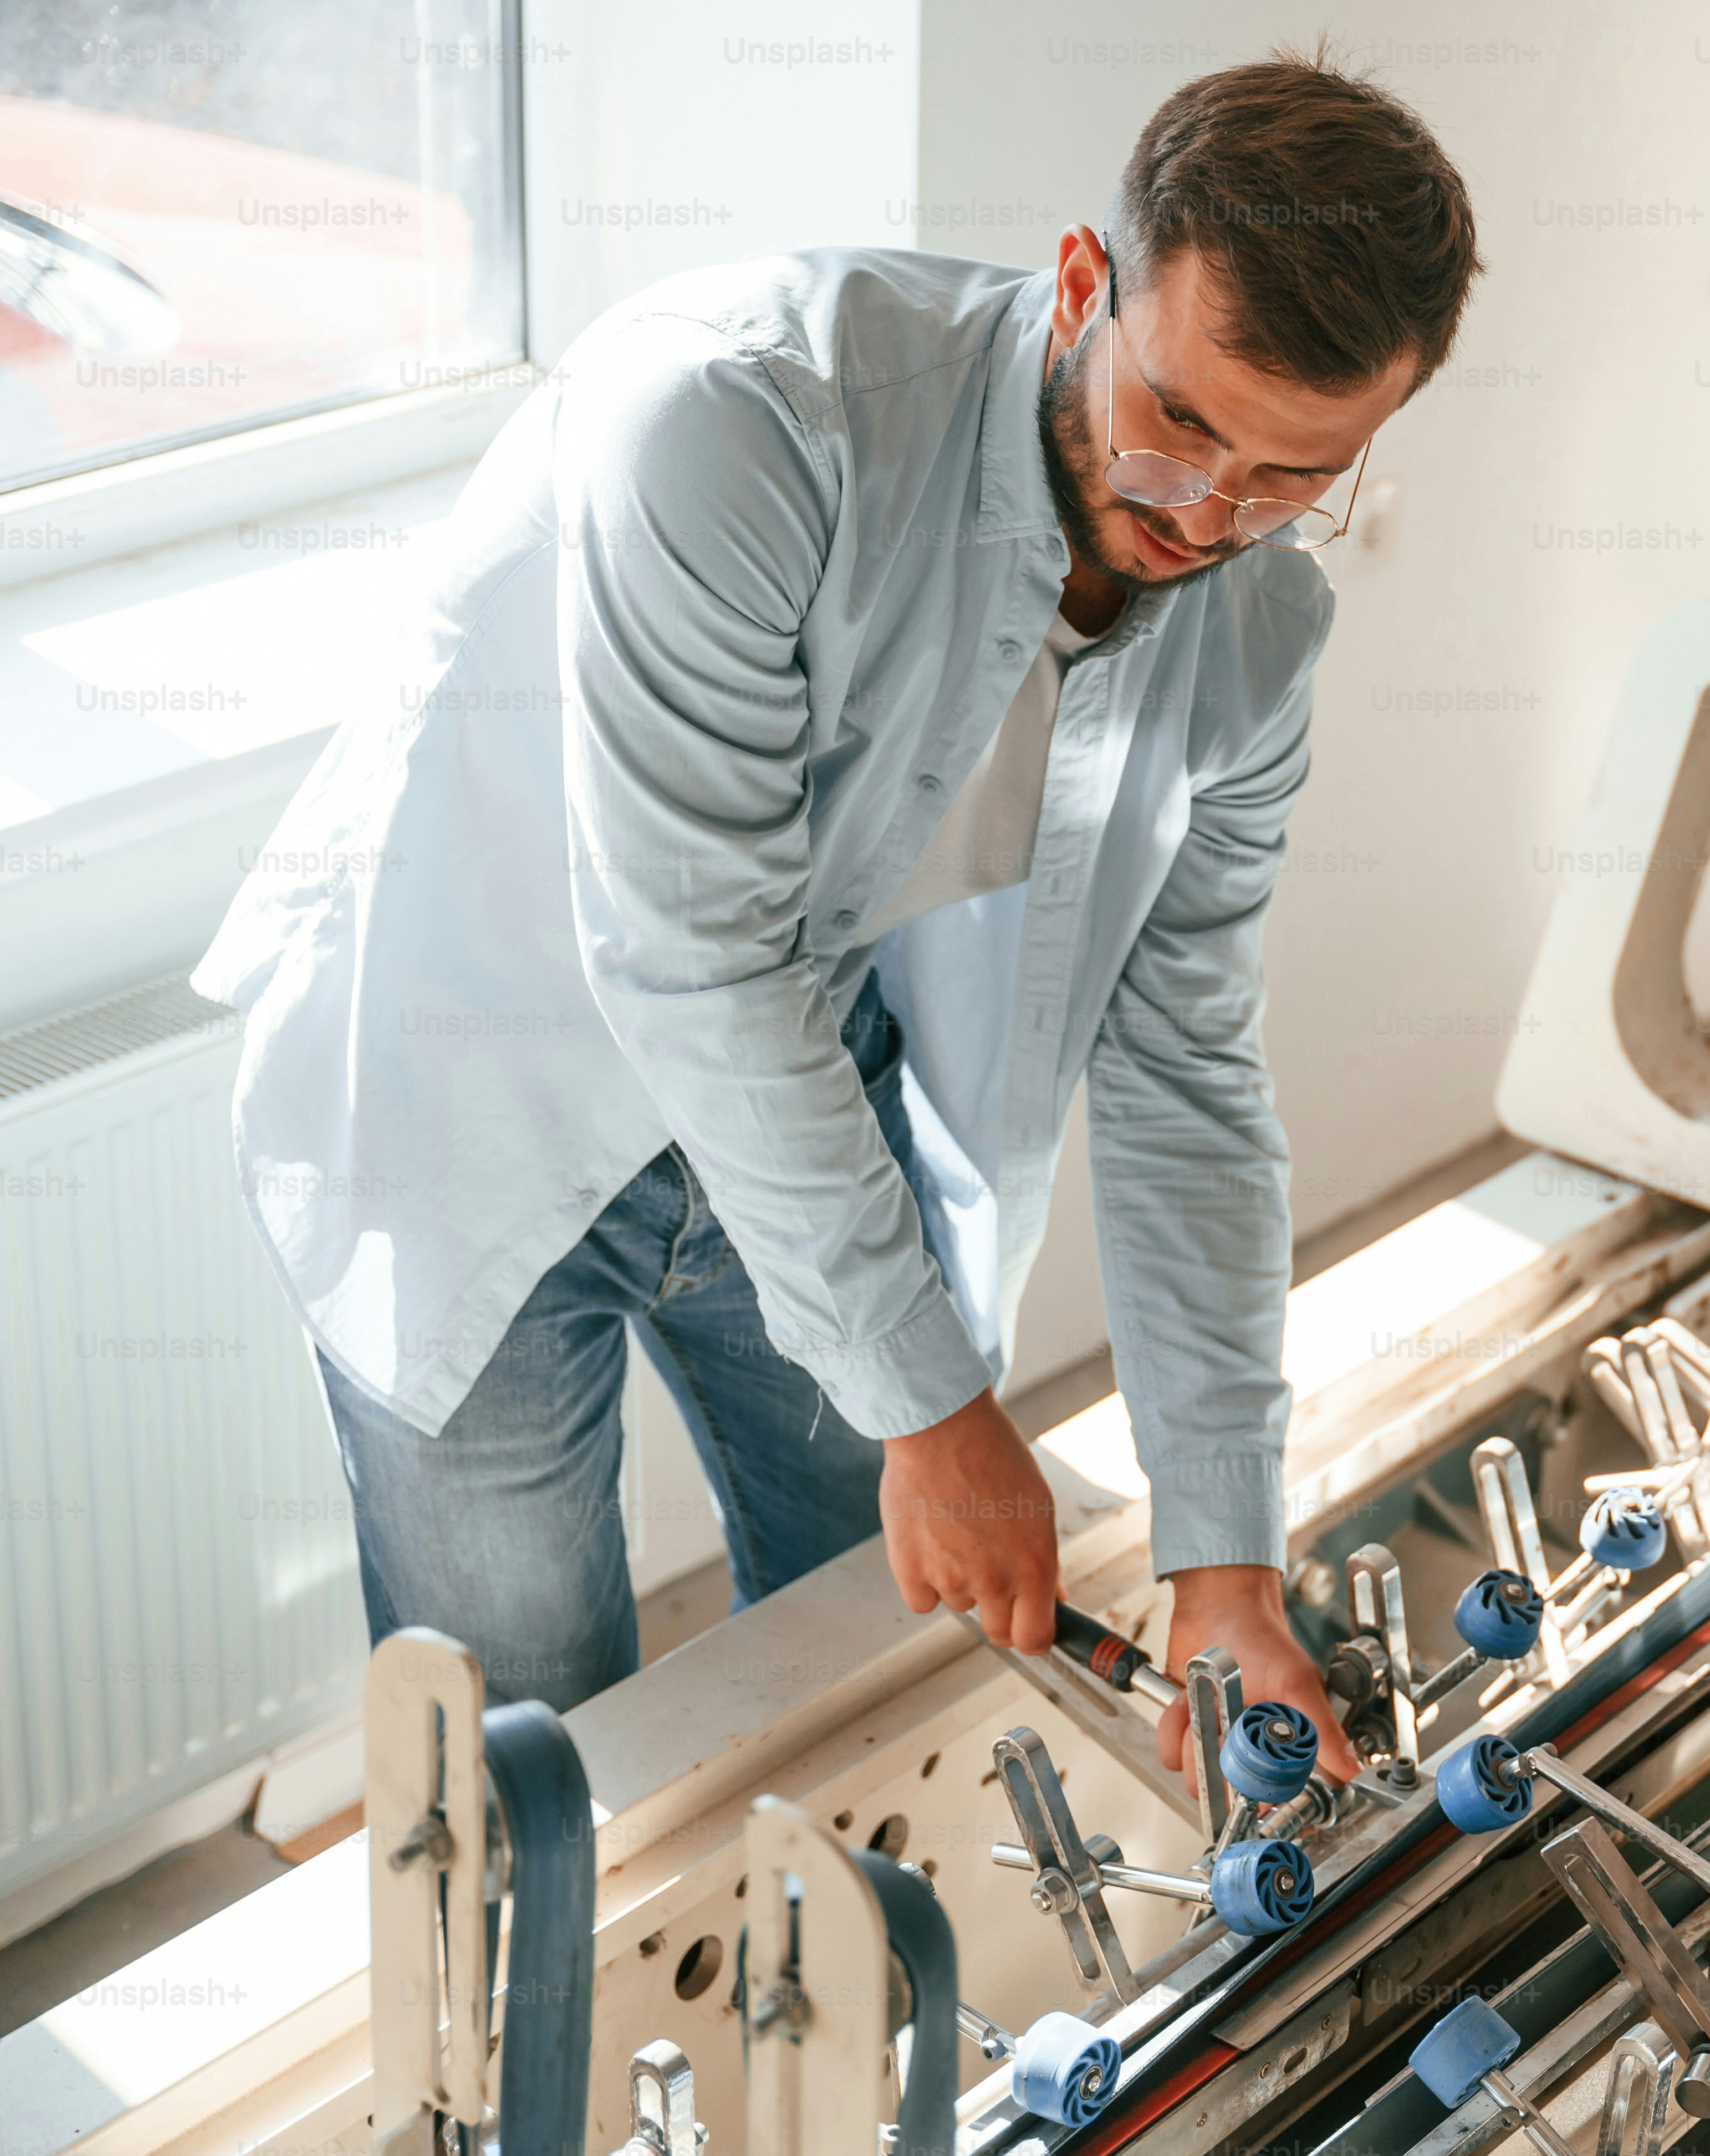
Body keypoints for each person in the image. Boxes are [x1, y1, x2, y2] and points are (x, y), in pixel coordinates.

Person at [191, 54, 1481, 1785]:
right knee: (549, 1750)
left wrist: (1224, 1565)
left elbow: (1185, 1081)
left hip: (806, 1090)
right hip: (469, 1086)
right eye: (1178, 423)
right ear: (1086, 281)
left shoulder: (1259, 640)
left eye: (1285, 479)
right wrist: (941, 1407)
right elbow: (693, 953)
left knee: (870, 1663)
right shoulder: (737, 416)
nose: (1205, 518)